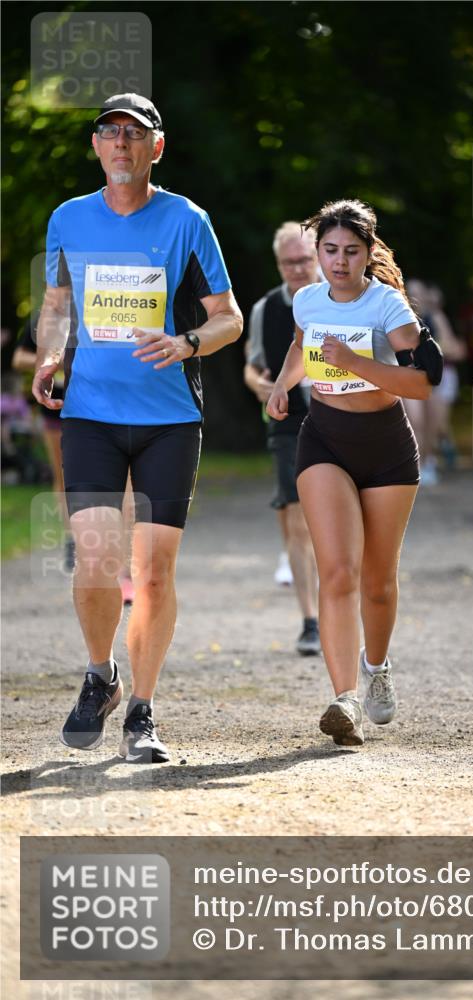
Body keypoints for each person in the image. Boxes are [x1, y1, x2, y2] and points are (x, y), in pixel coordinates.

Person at [32, 93, 243, 763]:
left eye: (134, 134)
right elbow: (56, 304)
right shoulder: (67, 219)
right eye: (109, 133)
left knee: (152, 575)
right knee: (95, 560)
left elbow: (228, 317)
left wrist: (186, 343)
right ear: (96, 146)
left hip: (169, 419)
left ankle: (144, 714)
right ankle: (102, 675)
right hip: (90, 412)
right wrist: (49, 353)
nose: (121, 144)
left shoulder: (187, 219)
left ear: (157, 147)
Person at [266, 199, 441, 748]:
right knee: (337, 571)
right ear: (317, 253)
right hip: (324, 441)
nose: (339, 262)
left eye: (350, 252)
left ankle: (377, 666)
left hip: (386, 449)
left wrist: (355, 363)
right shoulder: (308, 298)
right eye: (329, 251)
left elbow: (424, 382)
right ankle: (345, 700)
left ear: (368, 254)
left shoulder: (387, 304)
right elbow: (301, 346)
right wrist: (280, 383)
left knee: (379, 582)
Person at [244, 222, 321, 654]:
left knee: (331, 521)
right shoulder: (266, 309)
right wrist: (259, 385)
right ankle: (309, 620)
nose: (296, 269)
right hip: (288, 421)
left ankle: (340, 610)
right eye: (288, 262)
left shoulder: (342, 299)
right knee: (294, 518)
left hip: (340, 417)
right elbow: (252, 364)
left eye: (304, 260)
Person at [404, 280, 465, 484]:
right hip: (409, 378)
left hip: (433, 378)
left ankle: (428, 461)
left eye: (419, 293)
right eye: (411, 293)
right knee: (415, 421)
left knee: (433, 424)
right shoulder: (398, 316)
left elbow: (452, 348)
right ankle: (416, 465)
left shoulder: (434, 317)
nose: (416, 298)